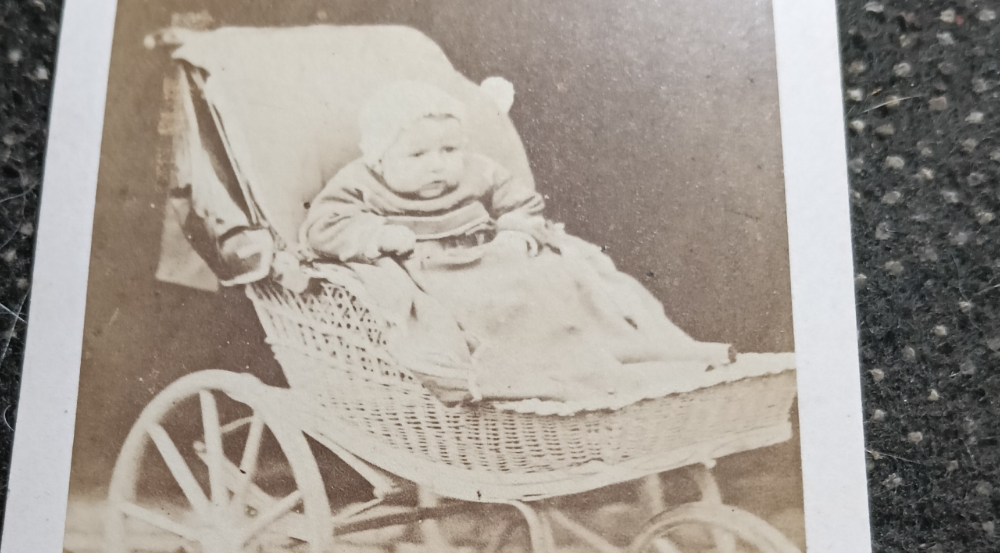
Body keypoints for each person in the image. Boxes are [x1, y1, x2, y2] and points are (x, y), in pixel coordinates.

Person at [299, 79, 732, 405]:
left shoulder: (478, 171)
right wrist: (377, 236)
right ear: (379, 156)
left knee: (568, 281)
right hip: (436, 271)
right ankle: (562, 373)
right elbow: (323, 226)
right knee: (494, 308)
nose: (438, 165)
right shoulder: (361, 182)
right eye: (418, 155)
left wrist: (516, 230)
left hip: (494, 255)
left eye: (449, 150)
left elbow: (521, 202)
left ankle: (640, 353)